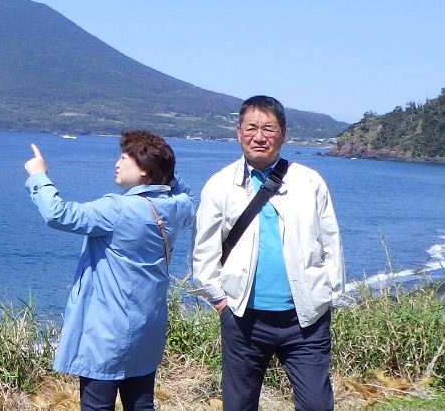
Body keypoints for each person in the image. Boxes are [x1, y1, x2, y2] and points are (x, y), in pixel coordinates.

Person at [191, 96, 348, 411]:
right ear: (239, 132)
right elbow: (204, 249)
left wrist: (330, 298)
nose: (259, 136)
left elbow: (331, 242)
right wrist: (220, 300)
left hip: (305, 320)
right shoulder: (220, 185)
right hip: (243, 317)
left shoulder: (308, 182)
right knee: (238, 405)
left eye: (268, 128)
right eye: (251, 128)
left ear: (283, 134)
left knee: (317, 405)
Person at [23, 130, 195, 411]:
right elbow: (186, 193)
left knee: (96, 406)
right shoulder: (176, 207)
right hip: (147, 330)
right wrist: (165, 174)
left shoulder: (117, 209)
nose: (116, 163)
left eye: (124, 158)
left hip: (105, 335)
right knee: (141, 405)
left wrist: (38, 176)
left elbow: (57, 214)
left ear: (143, 170)